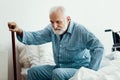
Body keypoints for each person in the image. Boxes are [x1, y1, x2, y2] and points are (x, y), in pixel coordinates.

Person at [8, 6, 104, 80]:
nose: (54, 26)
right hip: (60, 67)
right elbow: (35, 37)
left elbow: (99, 47)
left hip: (78, 69)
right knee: (33, 71)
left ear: (68, 19)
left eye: (58, 22)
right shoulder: (51, 29)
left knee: (58, 73)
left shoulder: (80, 30)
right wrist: (19, 30)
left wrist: (91, 72)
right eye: (52, 22)